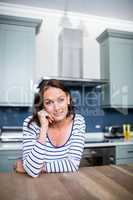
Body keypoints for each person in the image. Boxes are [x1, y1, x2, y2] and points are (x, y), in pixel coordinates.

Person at [16, 79, 86, 177]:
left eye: (61, 100)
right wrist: (44, 128)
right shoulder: (31, 124)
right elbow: (32, 171)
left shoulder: (78, 121)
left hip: (65, 184)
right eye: (49, 102)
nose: (56, 108)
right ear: (42, 106)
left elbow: (73, 164)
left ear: (68, 99)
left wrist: (39, 167)